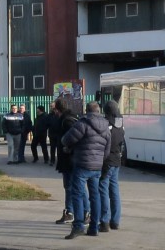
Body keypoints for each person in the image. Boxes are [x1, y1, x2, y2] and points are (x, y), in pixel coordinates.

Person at [61, 101, 110, 239]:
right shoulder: (106, 127)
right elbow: (107, 149)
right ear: (99, 111)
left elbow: (66, 140)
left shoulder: (83, 123)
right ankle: (94, 227)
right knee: (95, 196)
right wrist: (99, 160)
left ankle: (78, 226)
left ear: (86, 110)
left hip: (82, 164)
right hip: (97, 166)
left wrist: (70, 147)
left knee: (77, 194)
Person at [53, 99, 85, 225]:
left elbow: (72, 138)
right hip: (70, 158)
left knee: (72, 187)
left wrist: (67, 148)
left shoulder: (66, 121)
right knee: (72, 187)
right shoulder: (73, 117)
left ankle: (73, 213)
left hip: (69, 159)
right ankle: (71, 212)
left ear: (57, 109)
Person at [99, 100, 125, 232]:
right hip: (117, 160)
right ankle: (115, 221)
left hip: (107, 161)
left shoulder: (107, 125)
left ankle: (104, 220)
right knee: (114, 190)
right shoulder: (121, 124)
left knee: (103, 189)